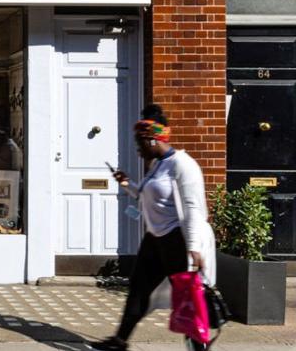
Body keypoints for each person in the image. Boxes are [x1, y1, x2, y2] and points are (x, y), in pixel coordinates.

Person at [90, 104, 216, 351]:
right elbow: (145, 196)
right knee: (138, 289)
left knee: (188, 298)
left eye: (139, 143)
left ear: (151, 140)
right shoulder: (157, 165)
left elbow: (192, 209)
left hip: (179, 241)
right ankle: (120, 340)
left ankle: (198, 348)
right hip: (156, 239)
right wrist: (126, 183)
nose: (137, 150)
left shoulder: (183, 165)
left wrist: (193, 249)